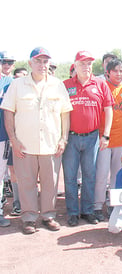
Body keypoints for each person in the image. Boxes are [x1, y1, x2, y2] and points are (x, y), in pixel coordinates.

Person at [1, 47, 73, 234]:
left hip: (51, 144)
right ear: (30, 63)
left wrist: (63, 139)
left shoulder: (58, 85)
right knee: (26, 183)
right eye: (38, 61)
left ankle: (48, 216)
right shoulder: (17, 85)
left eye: (45, 61)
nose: (42, 65)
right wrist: (13, 140)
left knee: (51, 183)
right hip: (24, 145)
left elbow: (65, 113)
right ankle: (29, 218)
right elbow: (8, 112)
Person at [63, 51, 114, 226]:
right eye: (82, 64)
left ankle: (87, 210)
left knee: (89, 175)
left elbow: (108, 110)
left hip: (92, 137)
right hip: (71, 138)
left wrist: (105, 135)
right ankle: (72, 212)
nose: (86, 67)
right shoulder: (66, 85)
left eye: (89, 64)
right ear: (75, 65)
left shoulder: (100, 84)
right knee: (70, 177)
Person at [94, 58, 122, 221]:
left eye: (121, 70)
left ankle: (113, 204)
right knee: (101, 174)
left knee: (117, 175)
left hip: (121, 138)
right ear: (107, 72)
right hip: (104, 139)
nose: (118, 73)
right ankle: (97, 205)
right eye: (115, 70)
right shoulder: (101, 87)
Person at [0, 53, 13, 227]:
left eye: (11, 62)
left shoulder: (10, 83)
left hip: (2, 136)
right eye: (4, 61)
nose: (7, 64)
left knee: (0, 176)